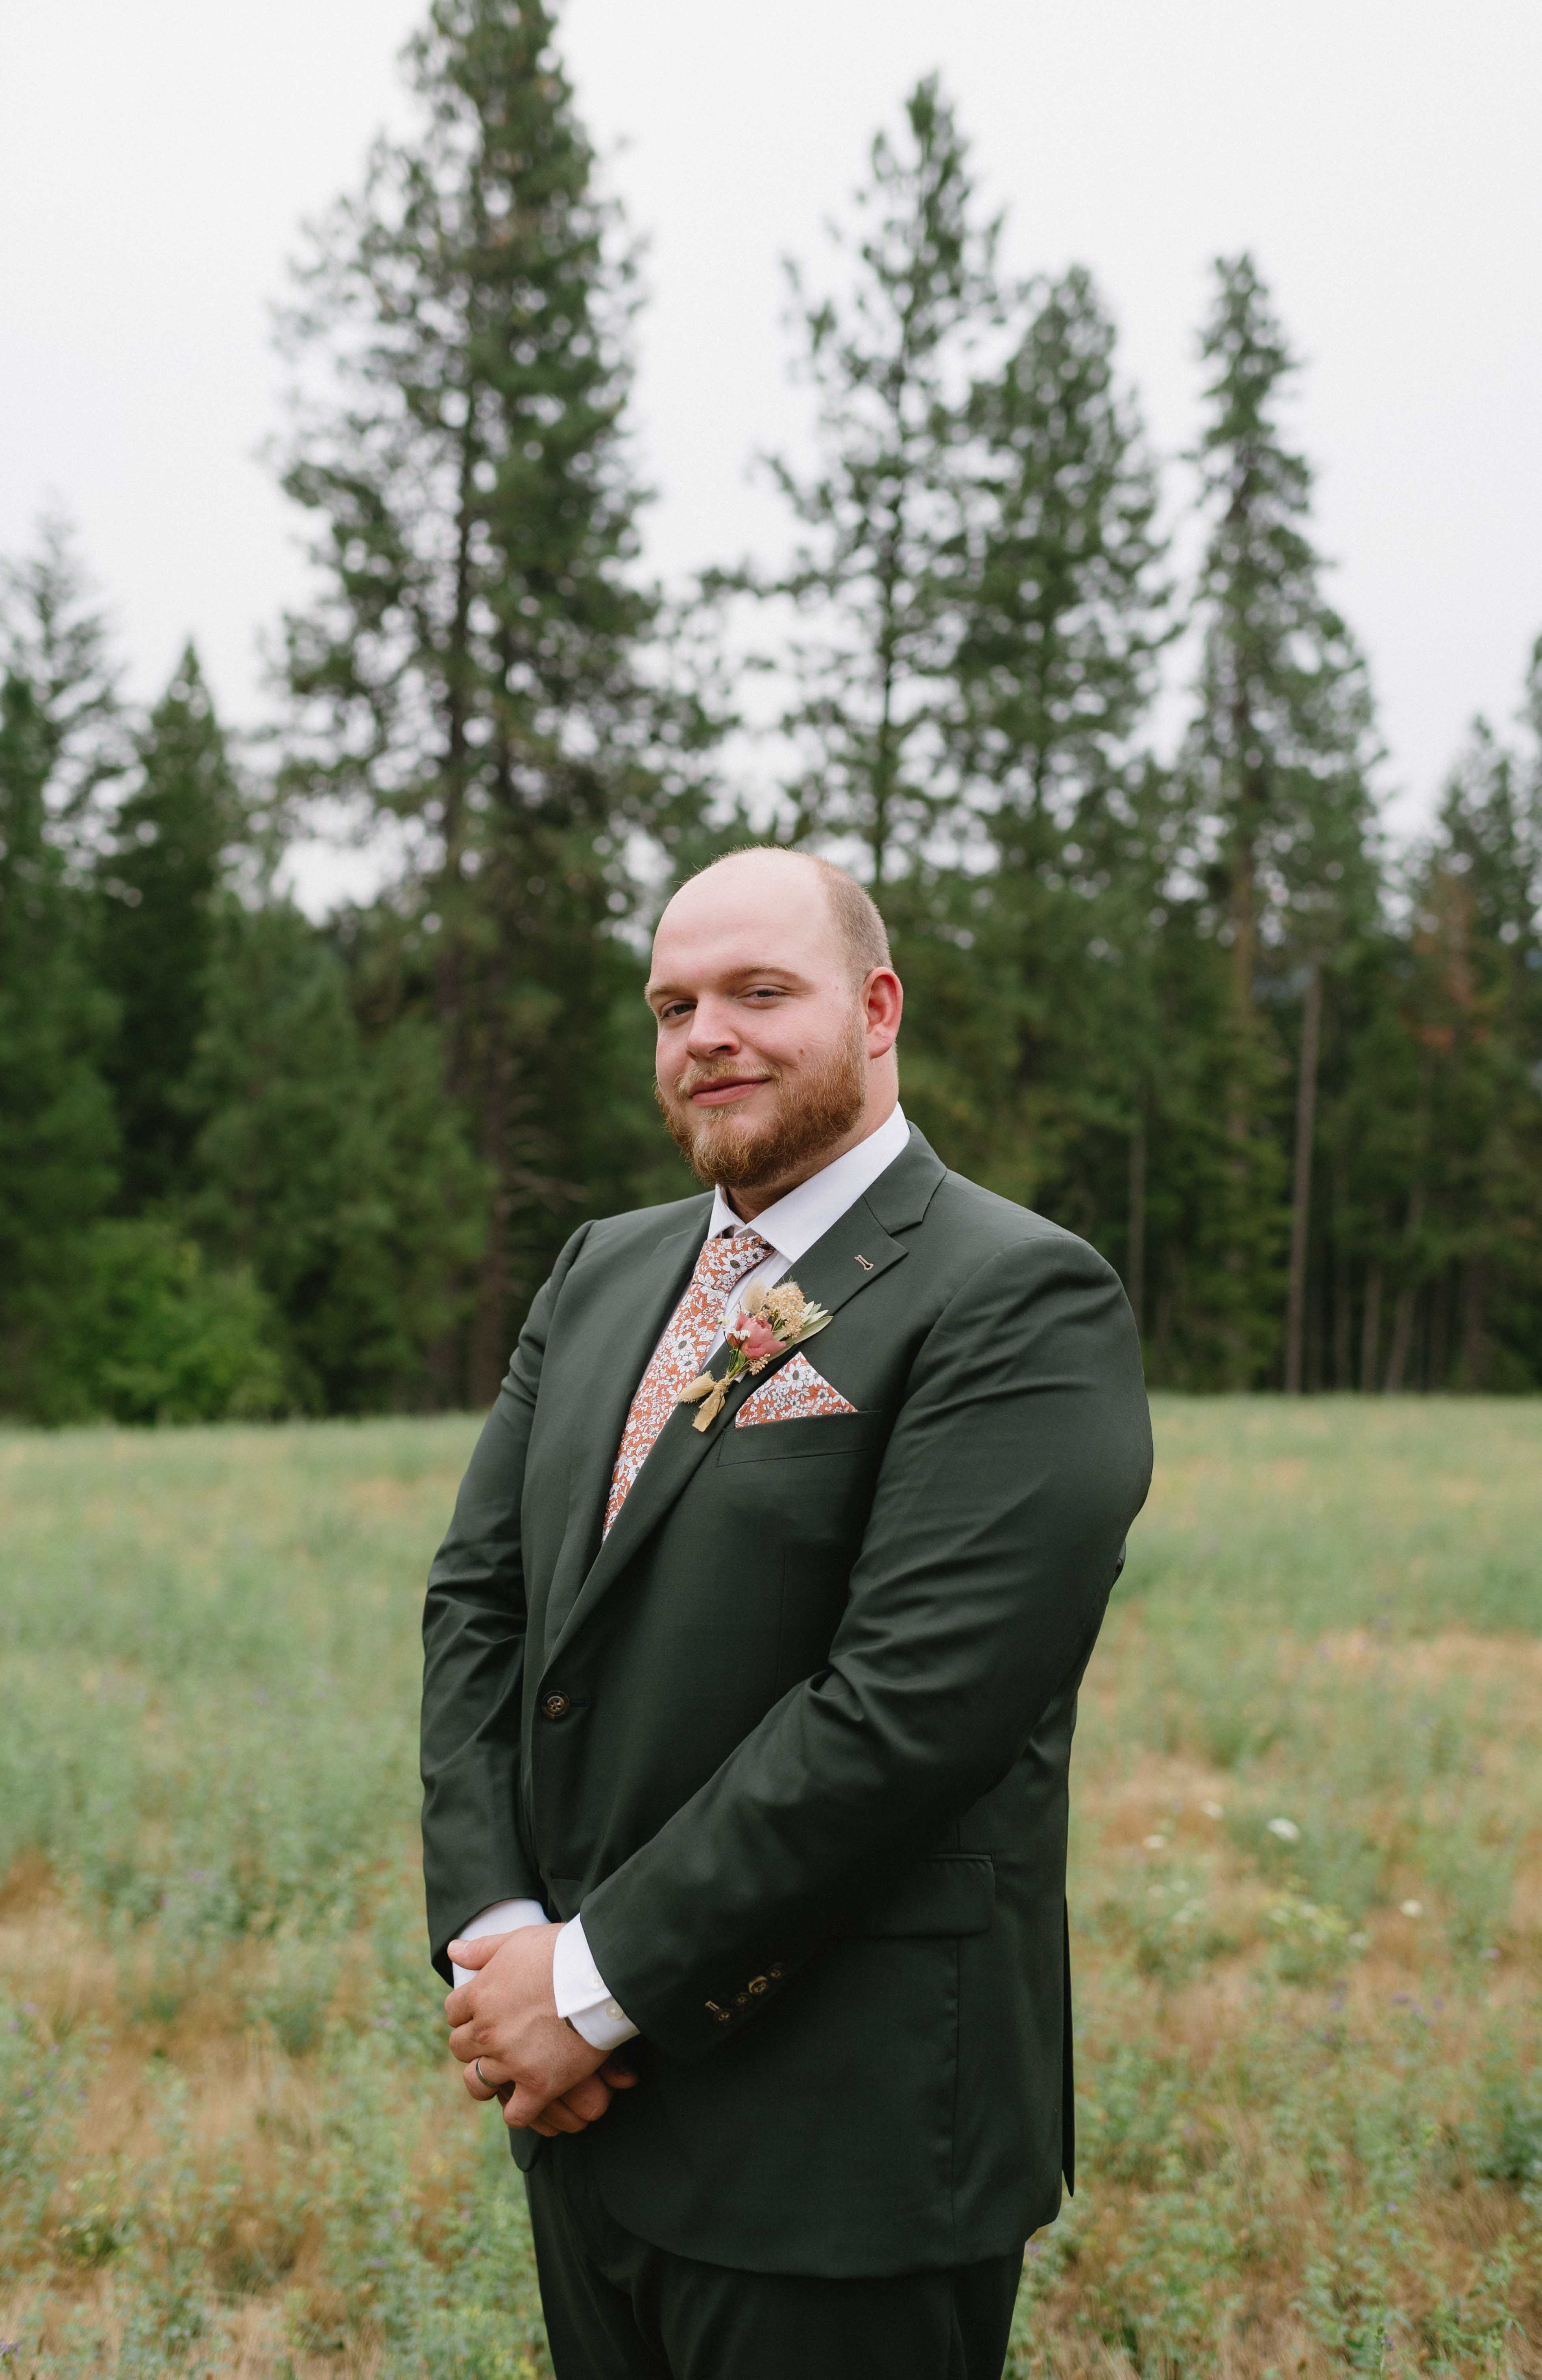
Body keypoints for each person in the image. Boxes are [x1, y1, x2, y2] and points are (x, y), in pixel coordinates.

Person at [421, 845, 1152, 2380]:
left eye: (761, 992)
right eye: (673, 1004)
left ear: (877, 1009)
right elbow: (482, 1606)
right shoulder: (599, 1272)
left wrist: (596, 1988)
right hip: (587, 2122)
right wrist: (504, 1952)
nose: (708, 1037)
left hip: (849, 2144)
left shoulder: (1016, 1296)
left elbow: (907, 1716)